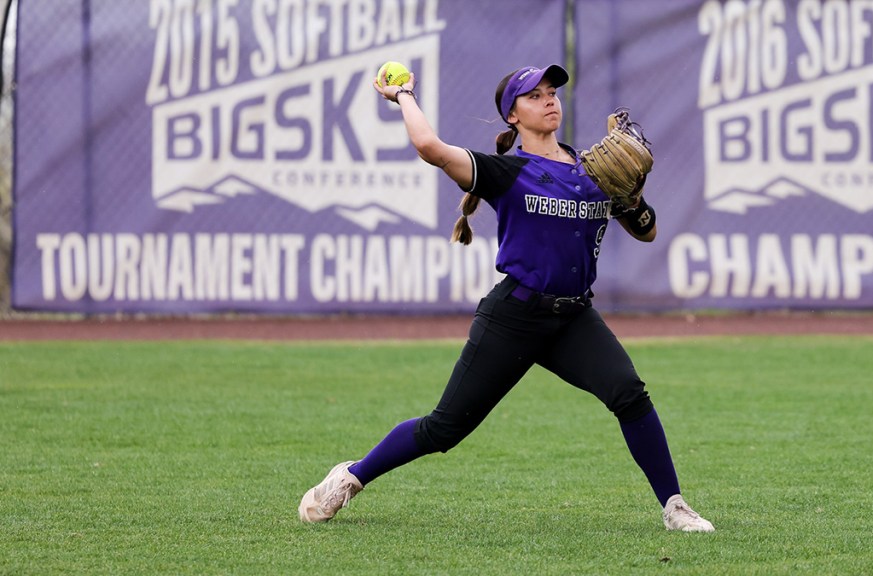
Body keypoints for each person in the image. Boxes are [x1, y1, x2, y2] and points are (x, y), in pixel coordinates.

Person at [298, 64, 714, 532]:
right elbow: (429, 148)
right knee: (444, 429)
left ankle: (675, 506)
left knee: (630, 395)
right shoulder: (507, 171)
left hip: (574, 317)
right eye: (534, 96)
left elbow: (648, 232)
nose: (549, 99)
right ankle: (350, 477)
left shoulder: (595, 169)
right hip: (515, 315)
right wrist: (404, 97)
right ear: (512, 116)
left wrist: (634, 197)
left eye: (552, 91)